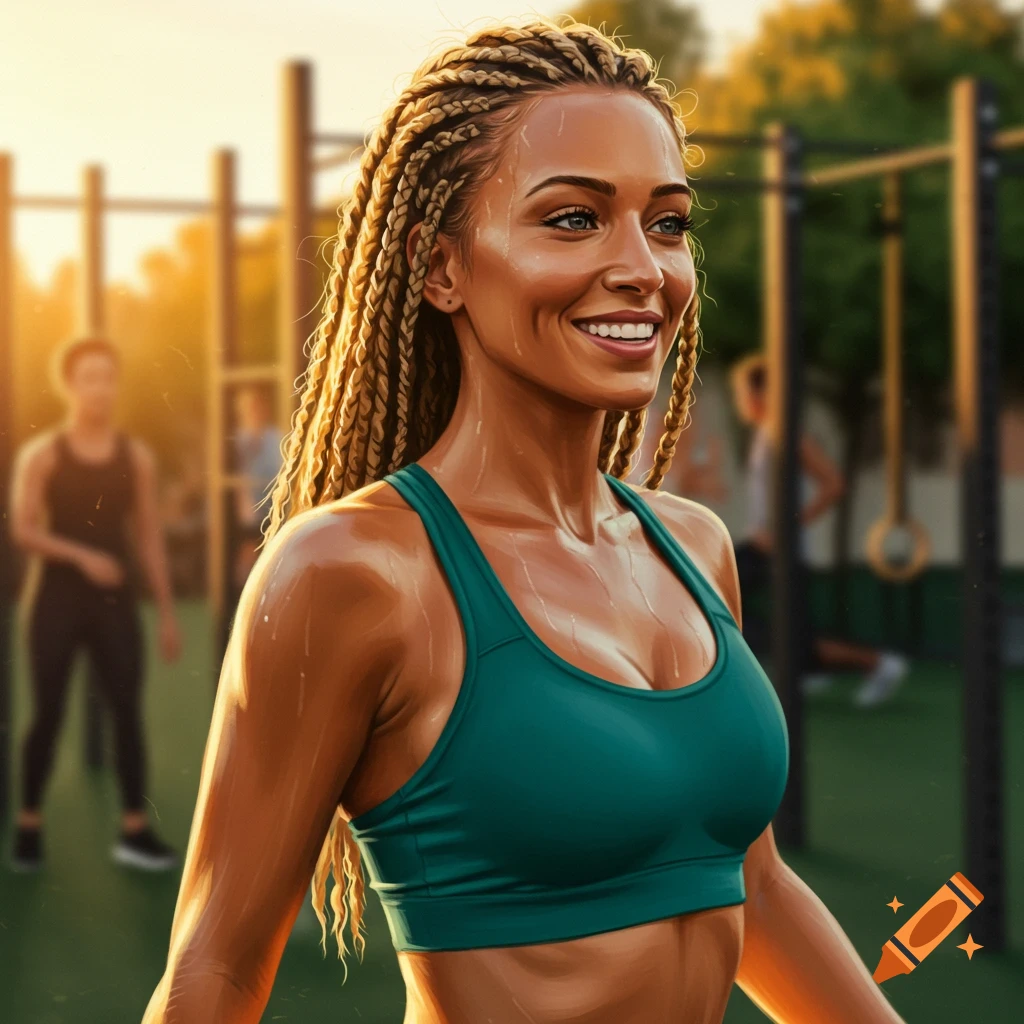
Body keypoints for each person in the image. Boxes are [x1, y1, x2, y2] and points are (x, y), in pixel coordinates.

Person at [143, 20, 905, 1024]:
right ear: (438, 267)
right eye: (572, 218)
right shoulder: (354, 571)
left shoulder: (692, 546)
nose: (644, 267)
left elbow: (747, 885)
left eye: (665, 222)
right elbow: (218, 971)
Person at [9, 335, 183, 872]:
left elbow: (149, 535)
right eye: (88, 378)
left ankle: (134, 829)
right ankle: (29, 824)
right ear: (69, 385)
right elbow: (22, 528)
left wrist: (168, 612)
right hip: (56, 602)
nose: (99, 389)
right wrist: (81, 557)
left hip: (114, 604)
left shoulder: (136, 457)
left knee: (127, 714)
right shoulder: (44, 455)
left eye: (107, 378)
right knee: (49, 713)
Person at [728, 352, 909, 708]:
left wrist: (787, 528)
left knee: (718, 594)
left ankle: (878, 664)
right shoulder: (767, 433)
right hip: (765, 546)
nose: (742, 402)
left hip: (779, 551)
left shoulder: (786, 434)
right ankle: (808, 664)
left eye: (745, 393)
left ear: (762, 394)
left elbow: (834, 484)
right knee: (736, 606)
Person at [231, 386, 284, 592]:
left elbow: (279, 472)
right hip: (247, 515)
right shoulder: (238, 440)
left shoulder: (274, 439)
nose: (253, 413)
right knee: (247, 558)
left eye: (256, 408)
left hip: (271, 510)